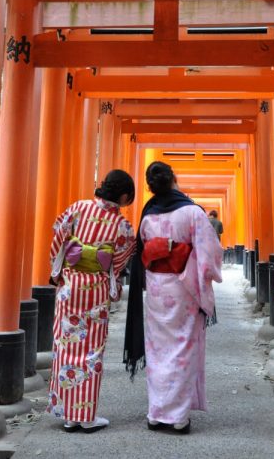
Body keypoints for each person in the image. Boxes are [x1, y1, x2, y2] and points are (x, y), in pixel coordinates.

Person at [123, 161, 223, 434]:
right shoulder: (192, 212)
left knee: (157, 350)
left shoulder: (147, 214)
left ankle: (156, 413)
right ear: (173, 180)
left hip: (157, 288)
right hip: (184, 287)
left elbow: (143, 249)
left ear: (150, 186)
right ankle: (178, 416)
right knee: (182, 347)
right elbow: (209, 252)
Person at [46, 169, 137, 433]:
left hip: (70, 285)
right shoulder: (122, 226)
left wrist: (58, 272)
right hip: (95, 289)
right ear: (123, 196)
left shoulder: (77, 208)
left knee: (65, 345)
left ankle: (68, 414)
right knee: (91, 349)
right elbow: (118, 262)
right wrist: (113, 282)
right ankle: (86, 415)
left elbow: (58, 240)